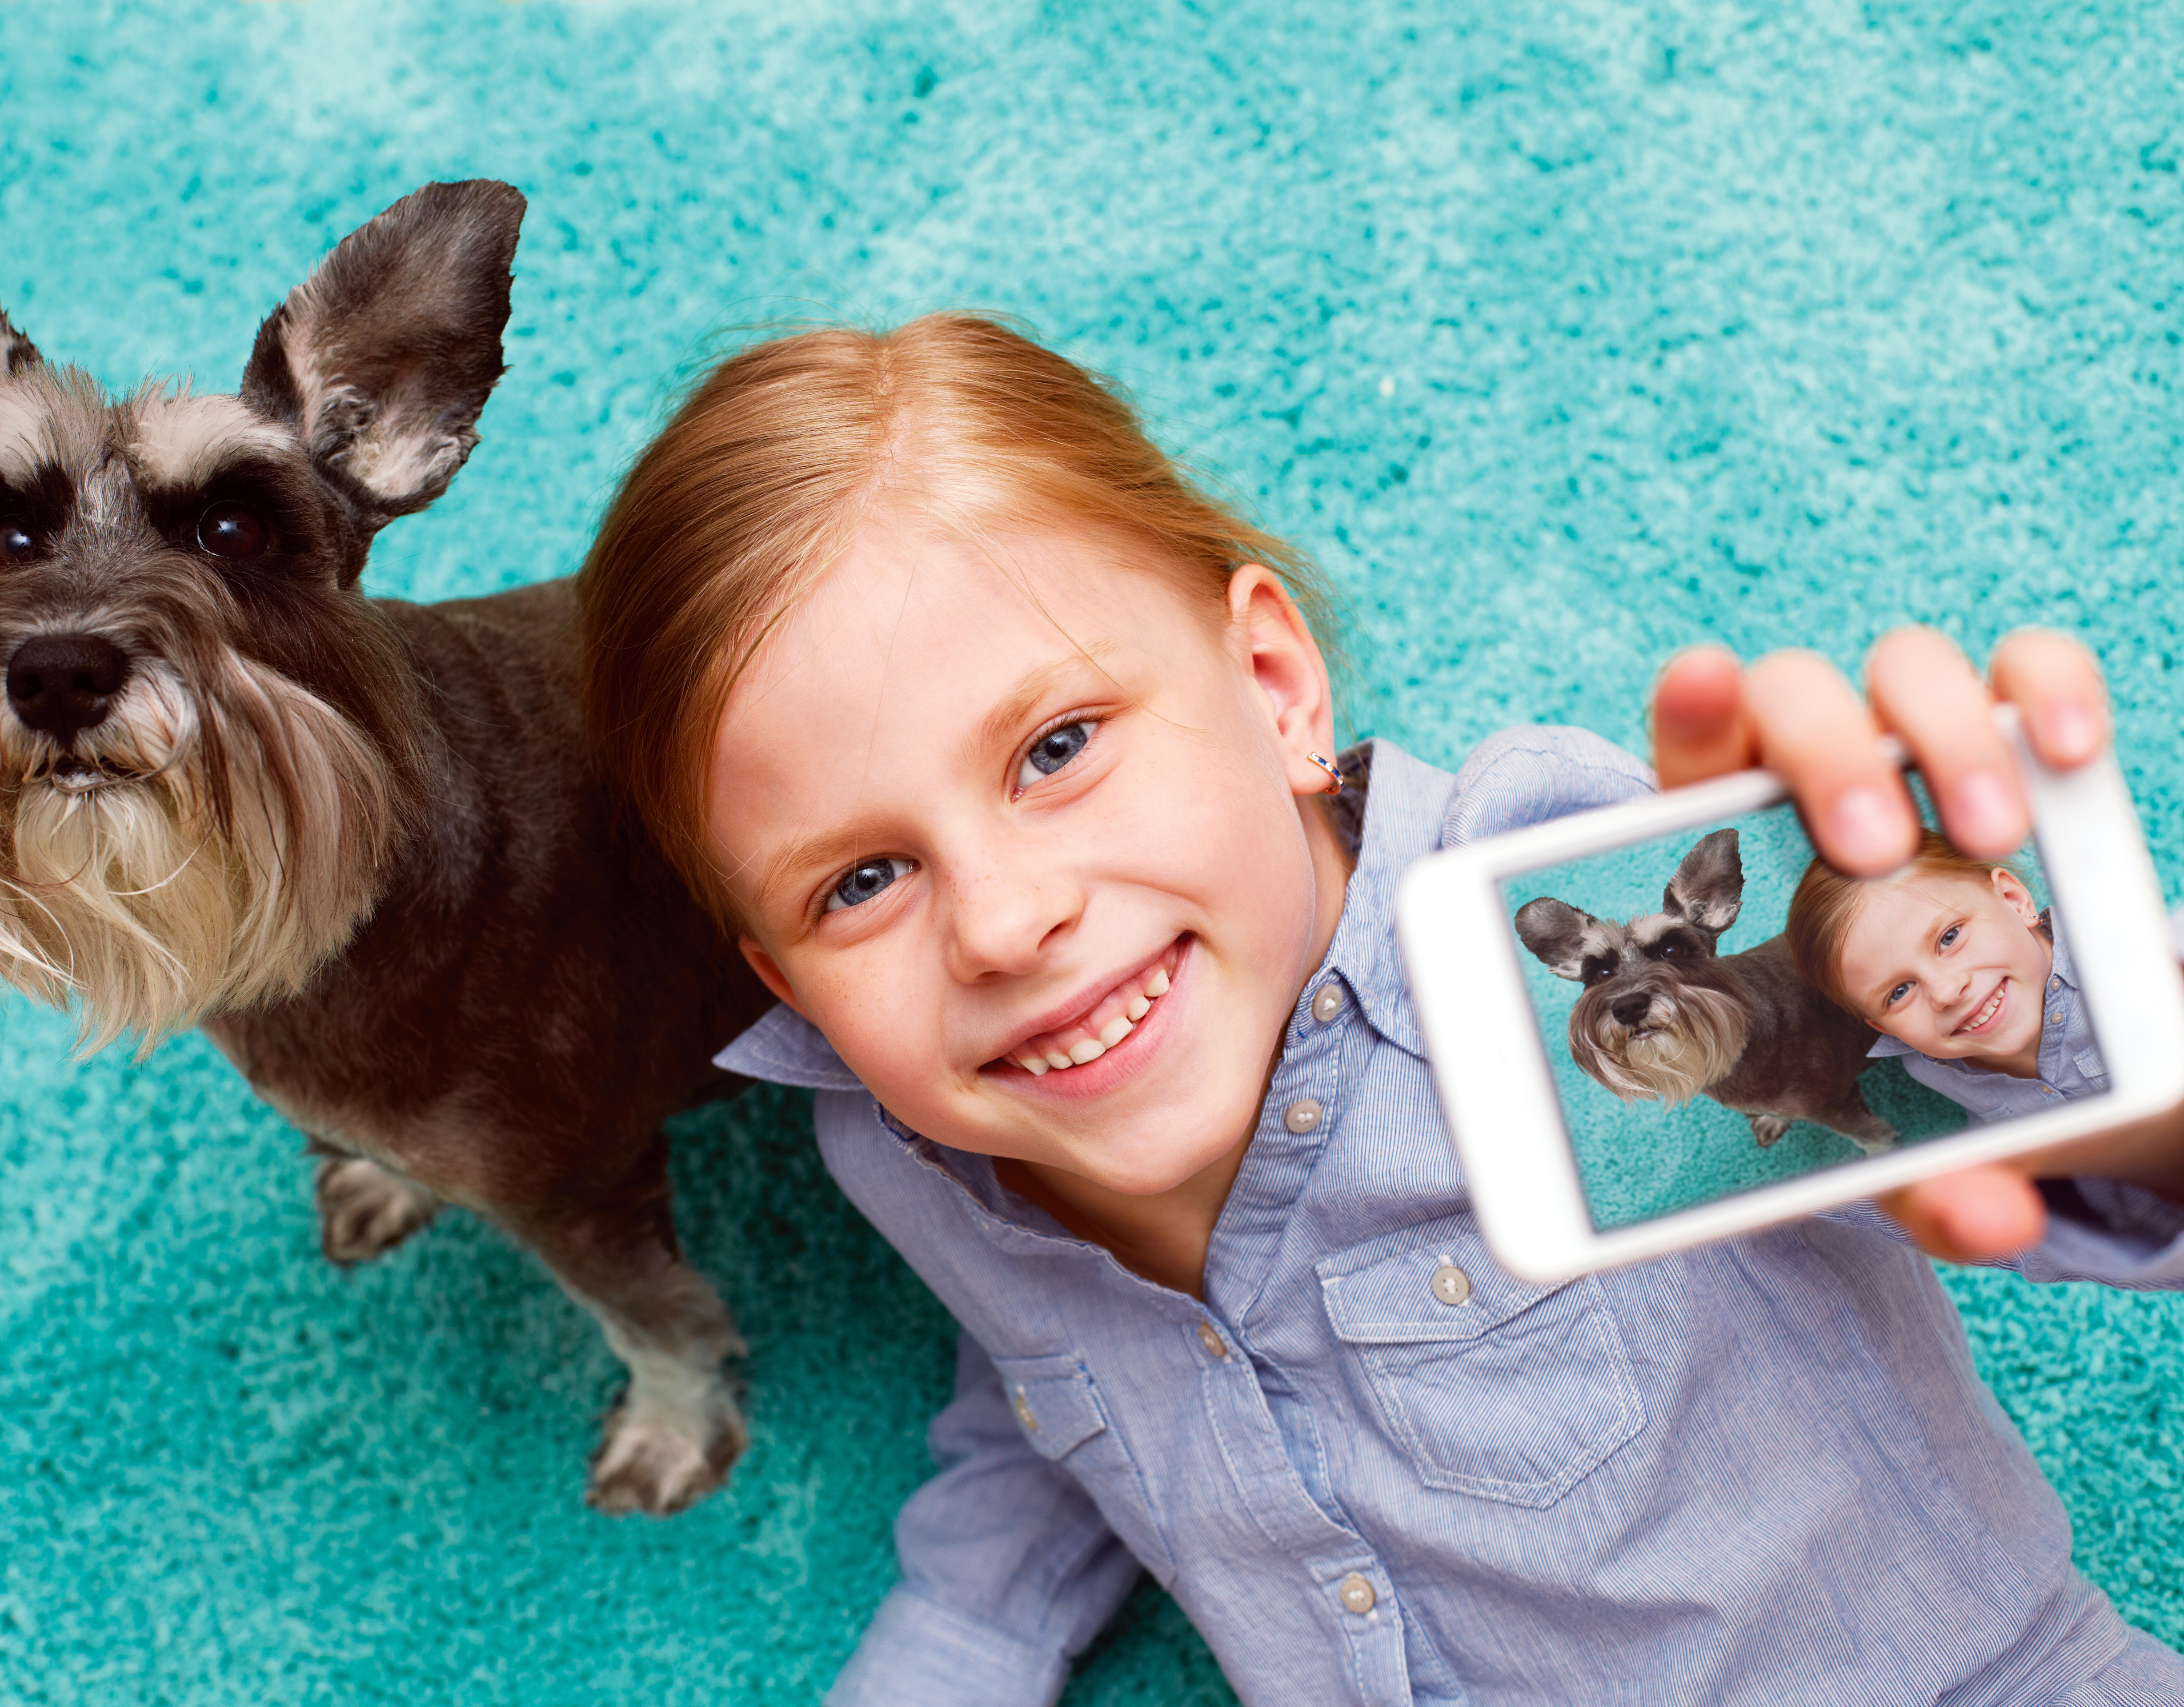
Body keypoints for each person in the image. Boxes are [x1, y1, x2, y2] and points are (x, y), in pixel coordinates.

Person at [575, 313, 2184, 1705]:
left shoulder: (1544, 915)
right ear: (783, 980)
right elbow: (1065, 1385)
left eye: (1057, 746)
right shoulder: (902, 1137)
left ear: (1275, 689)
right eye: (858, 883)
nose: (1003, 924)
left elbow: (1979, 1086)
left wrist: (2108, 1033)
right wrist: (960, 1640)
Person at [1787, 829, 2132, 1126]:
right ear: (1884, 1028)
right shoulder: (1932, 1069)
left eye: (1949, 938)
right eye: (1900, 992)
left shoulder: (2125, 959)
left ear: (2014, 901)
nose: (1946, 992)